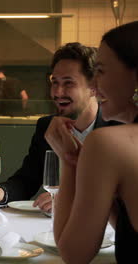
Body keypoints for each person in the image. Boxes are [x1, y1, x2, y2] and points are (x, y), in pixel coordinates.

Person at [0, 42, 121, 212]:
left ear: (94, 88)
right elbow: (26, 180)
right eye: (55, 82)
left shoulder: (121, 128)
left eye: (68, 83)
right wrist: (1, 192)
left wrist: (71, 197)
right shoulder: (46, 126)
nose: (58, 92)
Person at [45, 22, 138, 263]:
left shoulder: (108, 143)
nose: (93, 86)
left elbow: (73, 254)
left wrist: (70, 160)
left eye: (101, 71)